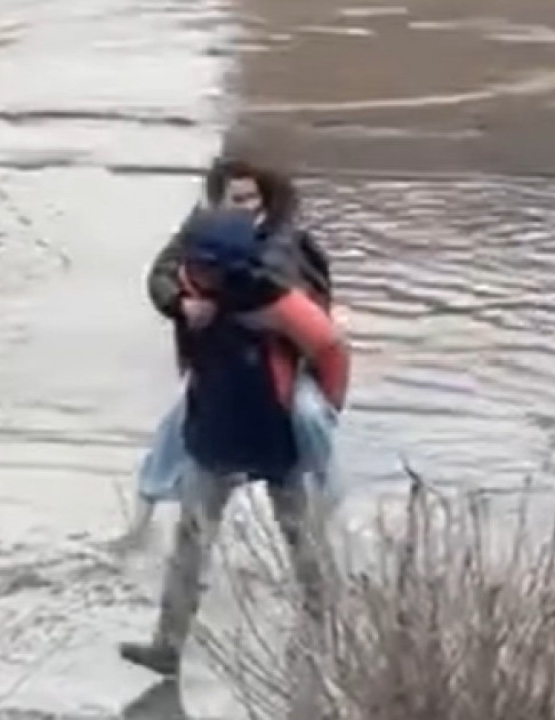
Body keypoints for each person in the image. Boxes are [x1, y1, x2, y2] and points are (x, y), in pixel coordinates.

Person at [118, 207, 352, 676]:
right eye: (194, 266)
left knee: (301, 539)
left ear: (232, 268)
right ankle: (167, 647)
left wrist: (326, 409)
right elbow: (161, 282)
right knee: (191, 543)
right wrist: (185, 307)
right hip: (212, 434)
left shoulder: (277, 303)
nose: (197, 274)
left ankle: (324, 634)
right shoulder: (186, 287)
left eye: (207, 268)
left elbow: (329, 348)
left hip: (276, 435)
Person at [110, 157, 341, 552]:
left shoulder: (281, 239)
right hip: (220, 385)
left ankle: (331, 504)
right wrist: (182, 303)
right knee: (173, 439)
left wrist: (238, 300)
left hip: (283, 373)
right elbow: (162, 275)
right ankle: (139, 527)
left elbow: (321, 335)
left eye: (251, 198)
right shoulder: (199, 235)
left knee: (311, 420)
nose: (244, 206)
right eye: (235, 198)